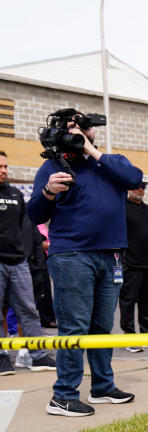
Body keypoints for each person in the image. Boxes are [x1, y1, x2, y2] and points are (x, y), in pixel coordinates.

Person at [27, 108, 142, 416]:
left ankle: (102, 387)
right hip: (72, 256)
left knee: (103, 326)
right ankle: (63, 396)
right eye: (71, 127)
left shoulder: (111, 162)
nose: (78, 131)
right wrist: (48, 191)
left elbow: (134, 178)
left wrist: (91, 150)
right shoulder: (52, 166)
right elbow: (35, 214)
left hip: (112, 255)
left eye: (84, 126)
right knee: (75, 328)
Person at [0, 151, 56, 376]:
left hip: (19, 262)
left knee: (28, 309)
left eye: (5, 166)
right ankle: (2, 358)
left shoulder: (15, 194)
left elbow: (26, 226)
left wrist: (27, 253)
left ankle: (38, 355)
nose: (3, 170)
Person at [118, 181, 148, 352]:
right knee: (128, 301)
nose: (140, 190)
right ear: (128, 189)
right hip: (131, 265)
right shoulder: (121, 209)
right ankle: (130, 337)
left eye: (143, 187)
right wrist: (124, 258)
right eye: (137, 186)